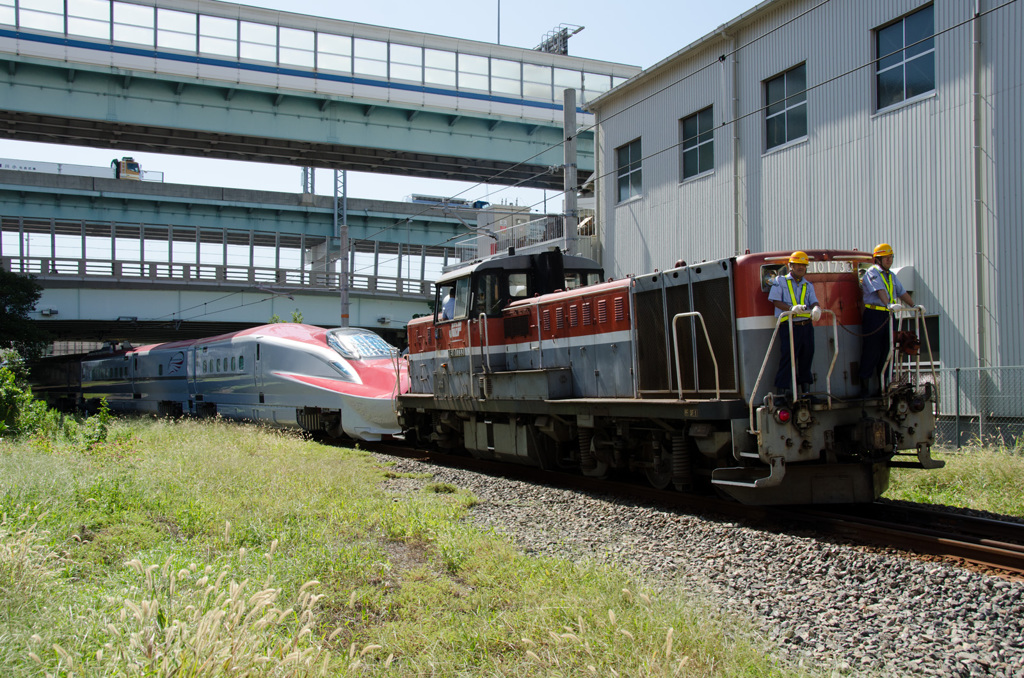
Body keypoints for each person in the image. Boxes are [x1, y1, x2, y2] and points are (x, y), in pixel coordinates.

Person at [859, 243, 923, 396]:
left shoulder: (892, 275)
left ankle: (884, 387)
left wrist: (915, 306)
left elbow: (901, 292)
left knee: (888, 351)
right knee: (872, 351)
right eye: (885, 257)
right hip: (874, 315)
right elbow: (880, 291)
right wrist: (889, 304)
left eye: (891, 257)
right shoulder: (872, 272)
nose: (889, 260)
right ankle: (865, 389)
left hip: (888, 315)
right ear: (878, 259)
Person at [768, 251, 822, 401]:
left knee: (807, 358)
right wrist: (790, 309)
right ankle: (781, 393)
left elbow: (814, 301)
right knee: (788, 358)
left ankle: (806, 392)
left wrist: (817, 308)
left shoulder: (808, 285)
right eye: (797, 264)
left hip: (806, 326)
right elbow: (775, 300)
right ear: (790, 266)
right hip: (789, 326)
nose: (800, 268)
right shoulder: (780, 281)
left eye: (803, 265)